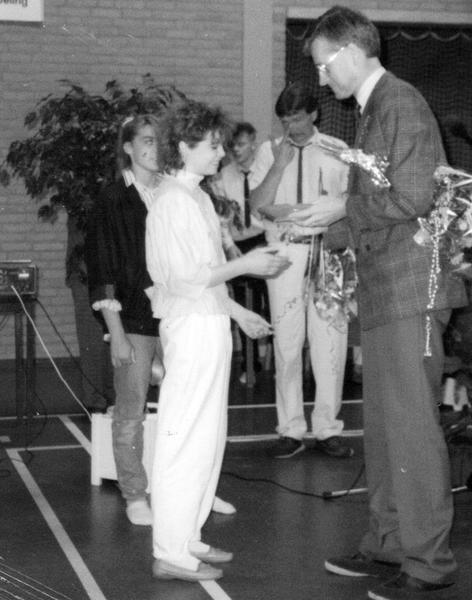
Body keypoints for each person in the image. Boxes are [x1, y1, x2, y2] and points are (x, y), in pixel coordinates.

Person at [292, 7, 467, 600]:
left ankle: (429, 563)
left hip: (411, 291)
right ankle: (389, 543)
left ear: (349, 52)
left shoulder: (400, 103)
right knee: (387, 432)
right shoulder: (375, 110)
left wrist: (340, 210)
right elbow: (383, 205)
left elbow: (413, 196)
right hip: (388, 290)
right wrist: (323, 225)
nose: (321, 80)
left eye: (323, 65)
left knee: (412, 431)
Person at [145, 100, 290, 582]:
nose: (221, 154)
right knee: (184, 438)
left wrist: (239, 312)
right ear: (183, 147)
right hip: (189, 329)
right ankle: (169, 549)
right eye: (211, 146)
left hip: (208, 324)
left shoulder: (198, 197)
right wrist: (247, 264)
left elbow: (208, 277)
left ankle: (187, 536)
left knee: (207, 437)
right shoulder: (171, 201)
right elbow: (184, 279)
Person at [85, 114, 238, 527]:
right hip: (134, 319)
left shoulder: (177, 191)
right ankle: (135, 492)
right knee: (131, 410)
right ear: (129, 147)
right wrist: (116, 333)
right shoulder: (113, 199)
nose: (154, 149)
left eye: (159, 141)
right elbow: (102, 271)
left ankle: (197, 489)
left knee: (188, 410)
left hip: (178, 316)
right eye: (146, 141)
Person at [249, 81, 353, 459]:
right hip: (286, 252)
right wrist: (279, 165)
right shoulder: (268, 151)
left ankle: (327, 428)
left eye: (296, 118)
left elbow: (353, 203)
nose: (290, 126)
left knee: (330, 344)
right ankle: (291, 428)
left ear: (313, 114)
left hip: (329, 253)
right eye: (284, 120)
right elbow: (257, 204)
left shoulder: (338, 150)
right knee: (287, 343)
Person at [210, 121, 269, 383]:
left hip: (263, 239)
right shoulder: (223, 175)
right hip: (238, 244)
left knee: (270, 303)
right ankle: (249, 363)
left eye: (242, 144)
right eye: (232, 145)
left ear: (253, 143)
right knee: (244, 304)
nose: (236, 150)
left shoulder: (264, 171)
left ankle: (274, 357)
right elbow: (221, 218)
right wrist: (229, 245)